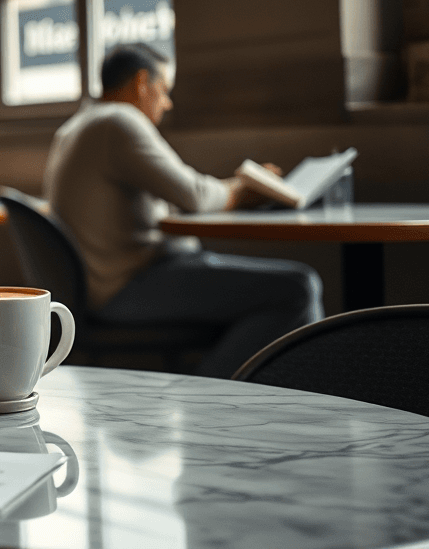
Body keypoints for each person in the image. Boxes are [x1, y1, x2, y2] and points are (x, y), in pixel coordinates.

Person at [43, 44, 323, 377]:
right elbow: (195, 196)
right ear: (141, 83)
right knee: (298, 287)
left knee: (286, 287)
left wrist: (232, 189)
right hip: (128, 288)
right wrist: (244, 187)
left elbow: (184, 193)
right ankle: (211, 394)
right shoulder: (118, 122)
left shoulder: (76, 127)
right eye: (164, 91)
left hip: (103, 286)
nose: (167, 103)